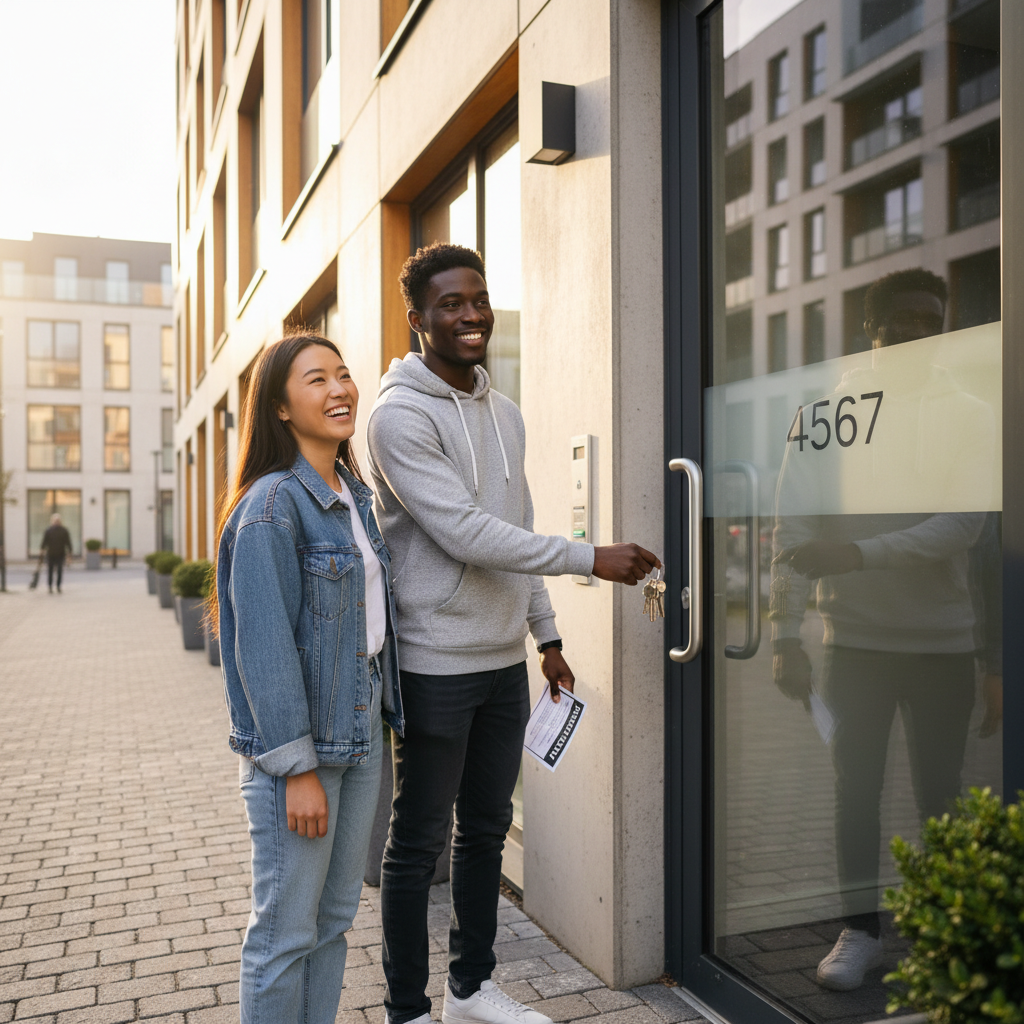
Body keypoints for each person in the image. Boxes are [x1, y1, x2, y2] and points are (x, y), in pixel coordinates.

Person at [366, 242, 661, 1024]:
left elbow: (515, 525)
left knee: (488, 828)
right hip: (434, 663)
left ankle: (469, 990)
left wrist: (548, 637)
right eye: (450, 304)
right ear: (418, 319)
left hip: (501, 663)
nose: (470, 315)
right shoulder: (397, 416)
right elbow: (466, 533)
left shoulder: (506, 412)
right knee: (418, 843)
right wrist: (589, 558)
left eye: (479, 298)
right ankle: (406, 1010)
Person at [771, 269, 991, 992]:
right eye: (905, 321)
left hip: (942, 643)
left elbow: (965, 524)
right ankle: (860, 932)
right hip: (852, 643)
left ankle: (943, 930)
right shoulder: (824, 416)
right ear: (873, 330)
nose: (922, 334)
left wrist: (859, 554)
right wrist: (781, 635)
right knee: (854, 790)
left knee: (941, 794)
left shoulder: (970, 412)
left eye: (935, 321)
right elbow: (792, 531)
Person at [211, 334, 404, 1024]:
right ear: (282, 408)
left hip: (361, 735)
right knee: (283, 935)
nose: (339, 389)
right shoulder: (270, 507)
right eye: (316, 379)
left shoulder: (352, 493)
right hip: (302, 754)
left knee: (332, 923)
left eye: (344, 375)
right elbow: (263, 651)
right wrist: (295, 768)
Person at [40, 514, 73, 593]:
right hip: (50, 554)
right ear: (52, 521)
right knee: (50, 571)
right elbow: (44, 542)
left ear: (60, 521)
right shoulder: (48, 530)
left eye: (58, 520)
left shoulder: (64, 531)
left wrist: (69, 552)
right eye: (55, 520)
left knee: (59, 570)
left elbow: (68, 542)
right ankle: (50, 586)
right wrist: (42, 550)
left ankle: (58, 586)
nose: (56, 522)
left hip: (60, 554)